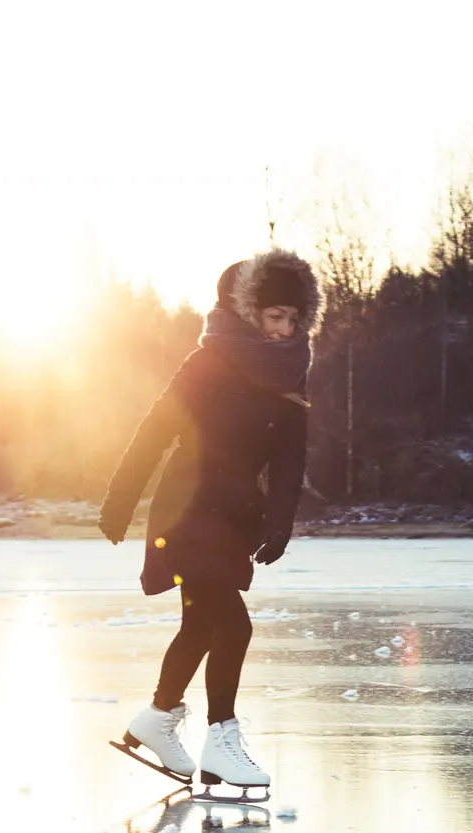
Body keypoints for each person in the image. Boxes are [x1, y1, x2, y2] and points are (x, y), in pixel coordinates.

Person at [100, 249, 318, 793]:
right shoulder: (210, 363)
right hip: (187, 510)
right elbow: (155, 430)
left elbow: (292, 459)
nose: (284, 328)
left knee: (200, 624)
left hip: (234, 519)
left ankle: (156, 718)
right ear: (249, 313)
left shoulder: (291, 376)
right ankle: (222, 742)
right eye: (275, 317)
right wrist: (120, 500)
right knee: (233, 625)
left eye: (293, 318)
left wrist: (280, 524)